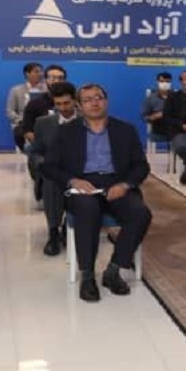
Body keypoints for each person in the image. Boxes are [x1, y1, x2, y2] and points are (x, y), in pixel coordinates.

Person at [42, 84, 152, 303]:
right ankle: (88, 276)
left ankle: (113, 269)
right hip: (83, 184)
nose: (94, 103)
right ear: (79, 105)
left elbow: (141, 166)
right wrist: (73, 181)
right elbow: (50, 166)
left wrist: (125, 185)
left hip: (116, 184)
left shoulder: (125, 129)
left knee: (140, 214)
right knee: (87, 209)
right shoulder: (66, 131)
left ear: (106, 101)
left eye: (98, 98)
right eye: (88, 99)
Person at [30, 82, 79, 256]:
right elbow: (35, 152)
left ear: (75, 101)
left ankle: (67, 226)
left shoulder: (87, 121)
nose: (63, 108)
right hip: (54, 172)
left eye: (66, 103)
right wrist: (43, 162)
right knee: (51, 181)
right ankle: (53, 232)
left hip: (81, 173)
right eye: (58, 104)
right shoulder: (43, 123)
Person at [21, 65, 68, 144]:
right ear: (45, 80)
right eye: (53, 78)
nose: (57, 81)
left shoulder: (74, 103)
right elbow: (28, 131)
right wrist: (42, 144)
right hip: (43, 145)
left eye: (60, 78)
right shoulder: (34, 104)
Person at [7, 62, 45, 149]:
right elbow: (10, 111)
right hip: (23, 122)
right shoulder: (16, 90)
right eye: (36, 71)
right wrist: (22, 120)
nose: (40, 74)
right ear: (27, 74)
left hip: (43, 122)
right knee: (19, 133)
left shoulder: (46, 89)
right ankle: (27, 151)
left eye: (41, 71)